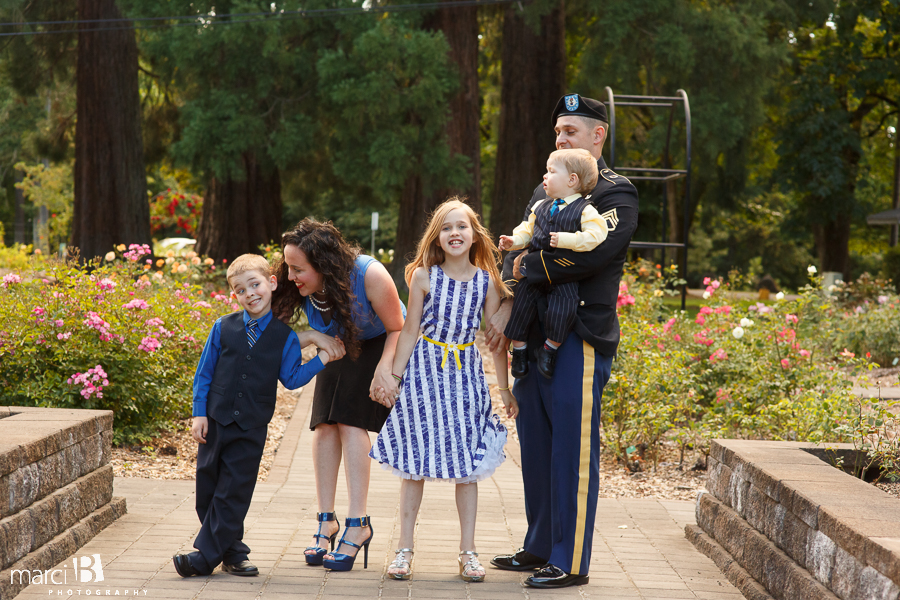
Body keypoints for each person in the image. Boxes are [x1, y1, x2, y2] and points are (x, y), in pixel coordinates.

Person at [486, 93, 639, 589]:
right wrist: (519, 272)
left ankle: (570, 560)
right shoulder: (545, 187)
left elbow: (595, 257)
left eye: (569, 131)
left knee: (571, 450)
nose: (560, 139)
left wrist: (531, 267)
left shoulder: (616, 193)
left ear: (598, 135)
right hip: (534, 333)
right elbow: (517, 247)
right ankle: (539, 546)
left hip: (580, 334)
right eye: (557, 132)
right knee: (535, 444)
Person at [369, 198, 518, 583]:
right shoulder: (423, 277)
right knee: (414, 462)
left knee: (466, 467)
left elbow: (495, 339)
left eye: (462, 227)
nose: (455, 233)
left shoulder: (486, 281)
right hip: (423, 375)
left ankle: (468, 552)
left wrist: (503, 389)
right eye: (447, 227)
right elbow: (411, 329)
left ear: (473, 235)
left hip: (465, 376)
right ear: (437, 237)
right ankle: (404, 549)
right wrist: (394, 377)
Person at [173, 254, 344, 578]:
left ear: (271, 283)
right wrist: (199, 413)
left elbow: (291, 378)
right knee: (207, 492)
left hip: (251, 427)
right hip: (216, 420)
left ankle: (203, 559)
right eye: (241, 289)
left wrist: (322, 359)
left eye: (255, 284)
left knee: (232, 493)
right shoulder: (222, 327)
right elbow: (204, 373)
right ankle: (234, 552)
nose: (250, 293)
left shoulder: (285, 337)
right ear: (234, 295)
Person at [271, 218, 406, 572]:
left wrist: (385, 369)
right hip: (337, 343)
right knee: (323, 424)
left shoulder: (369, 275)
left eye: (298, 269)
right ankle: (326, 519)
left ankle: (358, 524)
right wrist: (314, 339)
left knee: (348, 419)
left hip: (384, 341)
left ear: (324, 265)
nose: (290, 276)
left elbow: (398, 327)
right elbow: (269, 335)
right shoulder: (295, 287)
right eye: (287, 266)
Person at [498, 148, 606, 379]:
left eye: (551, 171)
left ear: (571, 180)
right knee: (521, 305)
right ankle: (519, 351)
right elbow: (526, 231)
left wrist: (569, 239)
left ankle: (549, 349)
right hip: (532, 275)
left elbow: (597, 235)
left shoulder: (586, 210)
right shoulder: (541, 206)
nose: (544, 176)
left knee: (564, 307)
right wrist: (513, 241)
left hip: (562, 276)